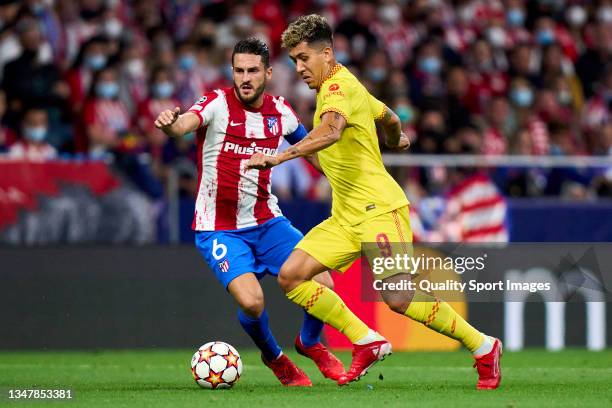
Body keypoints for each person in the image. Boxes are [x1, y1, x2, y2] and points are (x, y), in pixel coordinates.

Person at [247, 15, 502, 389]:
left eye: (304, 58)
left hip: (380, 210)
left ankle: (483, 346)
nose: (299, 68)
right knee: (291, 276)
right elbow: (391, 116)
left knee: (398, 296)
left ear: (327, 54)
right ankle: (366, 340)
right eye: (294, 62)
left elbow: (332, 130)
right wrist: (396, 139)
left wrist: (280, 157)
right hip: (346, 216)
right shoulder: (348, 86)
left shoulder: (337, 89)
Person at [154, 38, 344, 387]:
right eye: (239, 70)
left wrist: (341, 178)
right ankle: (276, 358)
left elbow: (310, 151)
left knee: (323, 282)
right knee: (253, 302)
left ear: (268, 73)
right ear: (232, 72)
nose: (245, 77)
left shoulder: (281, 112)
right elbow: (184, 125)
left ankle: (310, 342)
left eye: (253, 70)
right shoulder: (215, 103)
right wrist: (170, 124)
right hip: (218, 227)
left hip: (268, 221)